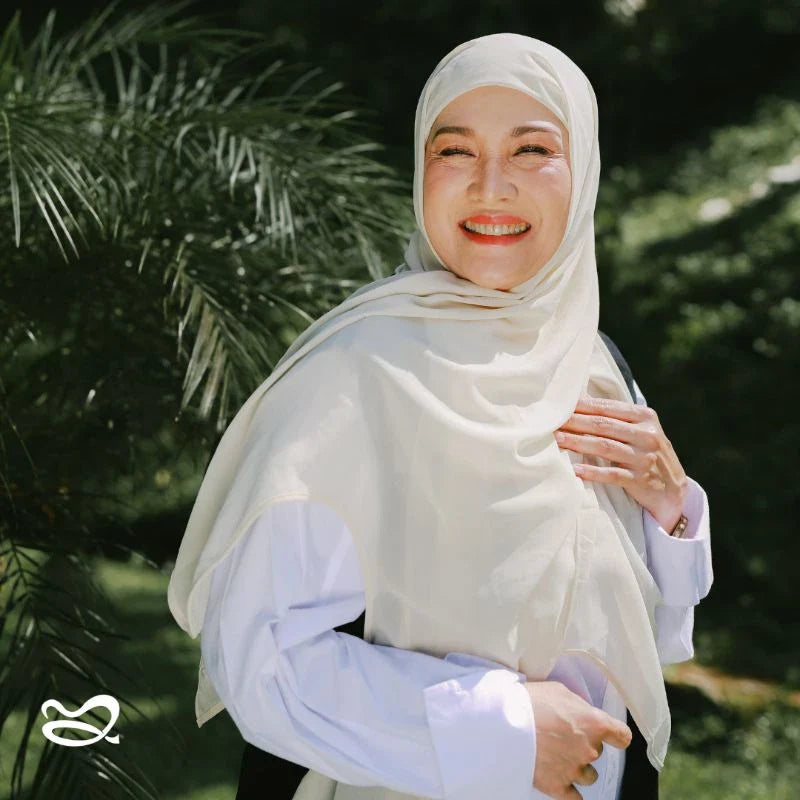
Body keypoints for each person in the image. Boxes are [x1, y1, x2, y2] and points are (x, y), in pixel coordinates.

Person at [167, 33, 714, 800]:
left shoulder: (588, 360)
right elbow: (258, 658)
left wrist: (671, 512)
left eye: (531, 151)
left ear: (582, 170)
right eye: (455, 152)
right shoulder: (358, 375)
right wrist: (507, 730)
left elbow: (627, 641)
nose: (491, 187)